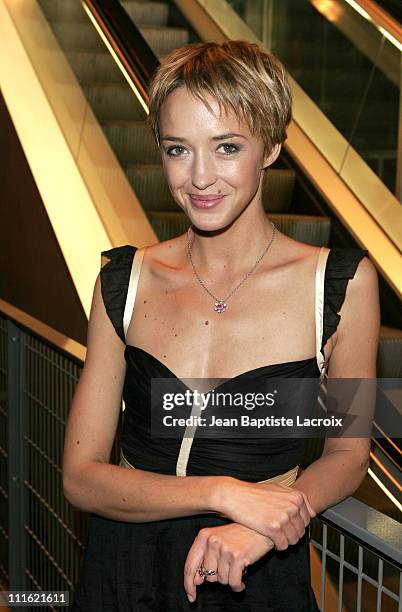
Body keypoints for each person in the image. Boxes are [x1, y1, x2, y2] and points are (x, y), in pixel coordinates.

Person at [64, 40, 380, 611]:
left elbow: (348, 452)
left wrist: (266, 522)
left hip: (255, 574)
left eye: (227, 147)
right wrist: (226, 494)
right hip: (123, 568)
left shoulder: (338, 286)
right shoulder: (125, 280)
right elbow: (82, 478)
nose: (200, 178)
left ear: (272, 147)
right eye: (178, 150)